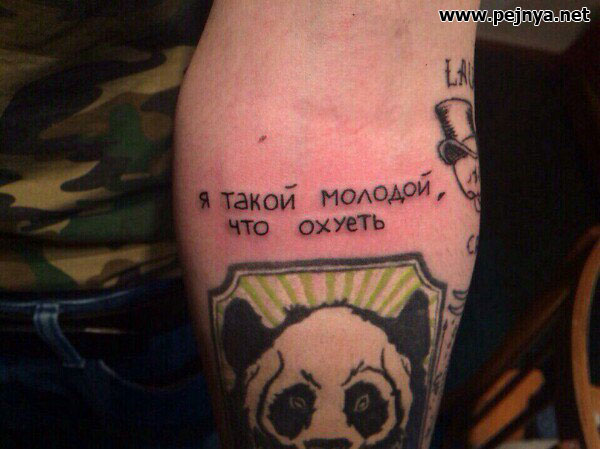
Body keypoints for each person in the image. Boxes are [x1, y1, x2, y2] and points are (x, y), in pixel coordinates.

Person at [175, 1, 479, 448]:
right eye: (297, 404)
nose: (330, 435)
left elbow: (347, 70)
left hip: (166, 299)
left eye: (363, 402)